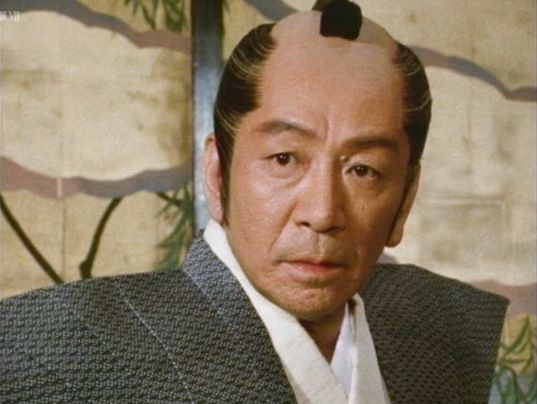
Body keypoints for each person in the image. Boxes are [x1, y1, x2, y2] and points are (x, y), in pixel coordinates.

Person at [0, 1, 507, 402]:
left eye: (363, 170)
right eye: (284, 159)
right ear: (218, 173)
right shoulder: (54, 348)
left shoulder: (451, 329)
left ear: (404, 200)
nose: (322, 213)